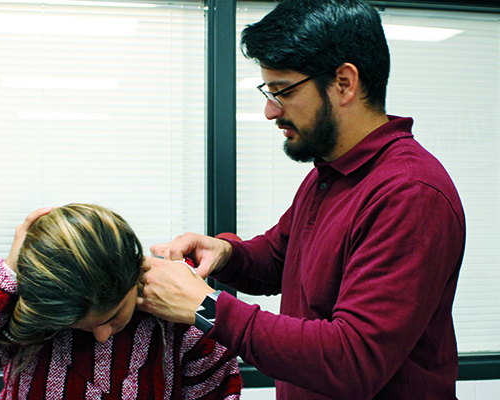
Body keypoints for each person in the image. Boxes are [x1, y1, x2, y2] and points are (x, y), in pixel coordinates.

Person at [136, 0, 466, 399]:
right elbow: (279, 258)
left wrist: (205, 308)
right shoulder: (329, 174)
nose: (270, 111)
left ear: (344, 83)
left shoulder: (409, 193)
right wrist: (225, 253)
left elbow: (352, 360)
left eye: (282, 91)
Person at [0, 203, 242, 400]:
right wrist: (6, 276)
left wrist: (200, 307)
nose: (102, 335)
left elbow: (218, 392)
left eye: (113, 316)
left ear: (134, 275)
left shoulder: (177, 324)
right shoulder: (29, 318)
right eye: (83, 325)